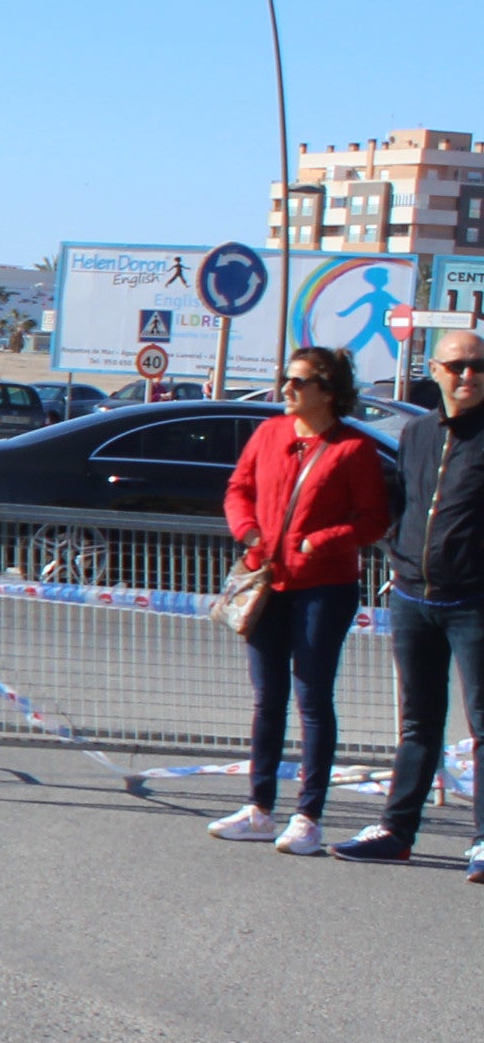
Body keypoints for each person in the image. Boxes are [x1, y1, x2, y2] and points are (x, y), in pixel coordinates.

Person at [209, 345, 393, 855]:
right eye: (284, 379)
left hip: (324, 588)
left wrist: (324, 538)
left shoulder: (353, 450)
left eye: (298, 381)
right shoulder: (269, 434)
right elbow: (237, 488)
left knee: (312, 698)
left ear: (328, 391)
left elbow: (373, 520)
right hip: (268, 582)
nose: (285, 389)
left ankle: (308, 816)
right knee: (267, 699)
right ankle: (259, 808)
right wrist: (247, 532)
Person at [336, 329, 484, 869]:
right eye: (456, 366)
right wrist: (400, 554)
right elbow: (404, 501)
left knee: (481, 723)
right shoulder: (418, 433)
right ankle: (396, 832)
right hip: (413, 598)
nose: (467, 375)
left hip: (474, 602)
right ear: (435, 371)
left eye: (477, 366)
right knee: (418, 722)